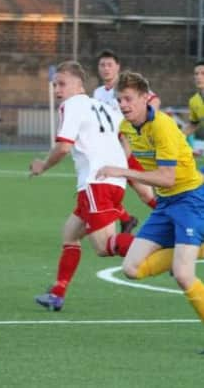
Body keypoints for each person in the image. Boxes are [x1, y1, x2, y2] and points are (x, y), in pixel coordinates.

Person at [96, 71, 204, 336]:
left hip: (191, 199)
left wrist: (122, 172)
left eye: (129, 99)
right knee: (131, 268)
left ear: (146, 98)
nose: (123, 105)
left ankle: (190, 251)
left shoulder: (163, 126)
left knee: (182, 274)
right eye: (120, 99)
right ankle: (194, 249)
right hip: (166, 204)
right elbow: (127, 162)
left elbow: (167, 178)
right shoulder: (125, 126)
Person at [30, 61, 135, 311]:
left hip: (96, 183)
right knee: (70, 233)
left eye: (62, 84)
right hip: (113, 181)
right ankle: (57, 294)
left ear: (79, 84)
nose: (57, 90)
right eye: (55, 85)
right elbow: (125, 140)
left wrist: (43, 166)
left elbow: (64, 147)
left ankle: (161, 245)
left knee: (103, 247)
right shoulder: (104, 107)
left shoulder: (72, 105)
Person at [93, 49, 158, 230]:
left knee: (145, 194)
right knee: (101, 186)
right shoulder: (98, 93)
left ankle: (174, 218)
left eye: (109, 65)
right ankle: (126, 219)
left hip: (128, 148)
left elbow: (154, 101)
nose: (106, 69)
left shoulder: (127, 86)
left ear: (118, 67)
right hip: (109, 150)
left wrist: (140, 125)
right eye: (102, 65)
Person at [182, 60, 204, 163]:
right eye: (196, 74)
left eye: (203, 73)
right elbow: (193, 124)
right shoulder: (194, 101)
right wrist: (176, 137)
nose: (198, 77)